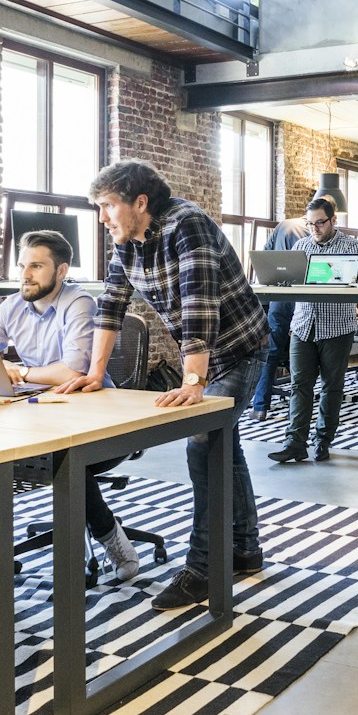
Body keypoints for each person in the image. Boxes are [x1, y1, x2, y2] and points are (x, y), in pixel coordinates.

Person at [57, 160, 268, 612]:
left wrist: (194, 381)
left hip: (240, 347)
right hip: (206, 352)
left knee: (203, 442)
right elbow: (110, 307)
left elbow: (198, 305)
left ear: (140, 202)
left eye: (108, 205)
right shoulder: (127, 243)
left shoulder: (186, 225)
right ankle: (246, 549)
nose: (102, 217)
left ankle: (205, 569)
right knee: (222, 446)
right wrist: (94, 373)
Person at [0, 229, 138, 607]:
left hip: (96, 419)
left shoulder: (79, 303)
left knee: (64, 457)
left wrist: (18, 372)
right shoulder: (13, 305)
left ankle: (108, 534)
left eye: (36, 266)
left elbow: (71, 371)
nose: (26, 274)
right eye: (23, 265)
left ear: (61, 271)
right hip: (37, 412)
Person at [268, 196, 358, 464]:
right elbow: (296, 281)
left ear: (333, 220)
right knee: (300, 385)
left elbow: (351, 277)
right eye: (310, 224)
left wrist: (318, 273)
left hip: (337, 327)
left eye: (320, 223)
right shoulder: (301, 246)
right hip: (302, 325)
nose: (315, 229)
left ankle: (322, 440)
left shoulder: (351, 246)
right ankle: (294, 442)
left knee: (332, 387)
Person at [248, 216, 309, 420]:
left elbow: (264, 256)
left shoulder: (283, 225)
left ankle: (259, 407)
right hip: (306, 298)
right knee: (306, 351)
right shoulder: (314, 233)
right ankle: (298, 410)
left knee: (271, 352)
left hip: (280, 296)